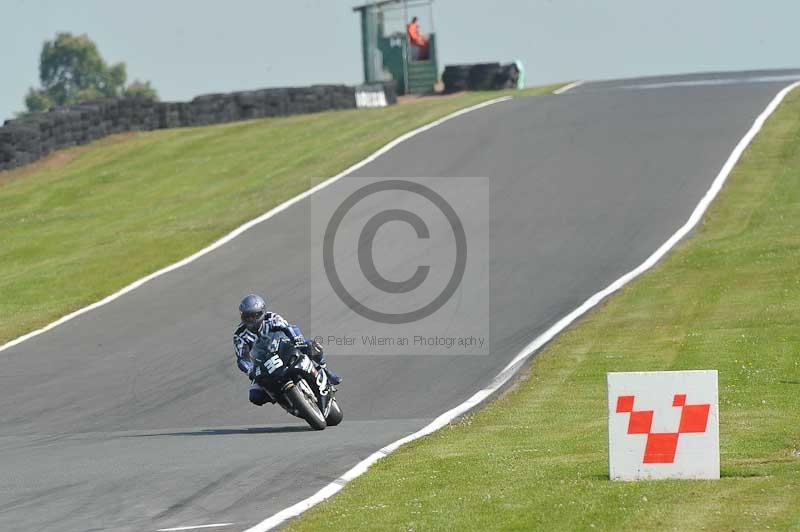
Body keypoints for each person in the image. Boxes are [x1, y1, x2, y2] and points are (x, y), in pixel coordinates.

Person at [234, 293, 341, 406]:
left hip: (283, 349)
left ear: (262, 312)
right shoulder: (239, 335)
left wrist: (297, 340)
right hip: (263, 365)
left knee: (312, 346)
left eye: (254, 316)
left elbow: (289, 328)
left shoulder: (271, 318)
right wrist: (249, 370)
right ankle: (282, 399)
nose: (251, 320)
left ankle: (324, 370)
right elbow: (242, 359)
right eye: (247, 316)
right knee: (255, 396)